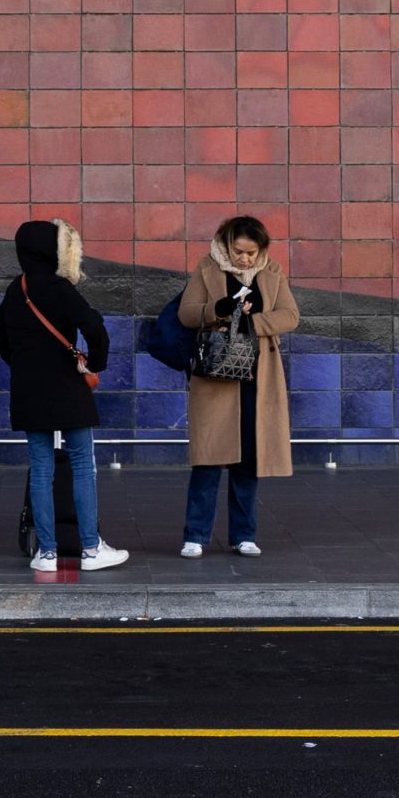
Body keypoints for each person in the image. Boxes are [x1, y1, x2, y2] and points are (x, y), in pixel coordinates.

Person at [0, 218, 125, 572]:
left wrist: (22, 362)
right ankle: (91, 549)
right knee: (82, 465)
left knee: (41, 470)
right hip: (66, 387)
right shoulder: (61, 288)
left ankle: (46, 553)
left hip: (29, 390)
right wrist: (93, 362)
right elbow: (95, 327)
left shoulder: (16, 289)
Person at [175, 216, 300, 558]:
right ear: (225, 243)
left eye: (251, 252)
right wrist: (220, 311)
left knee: (248, 458)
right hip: (216, 376)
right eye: (238, 251)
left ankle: (244, 534)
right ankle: (195, 536)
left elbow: (290, 315)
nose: (244, 259)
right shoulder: (207, 268)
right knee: (209, 458)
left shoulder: (272, 271)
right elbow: (186, 314)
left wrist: (247, 322)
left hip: (259, 377)